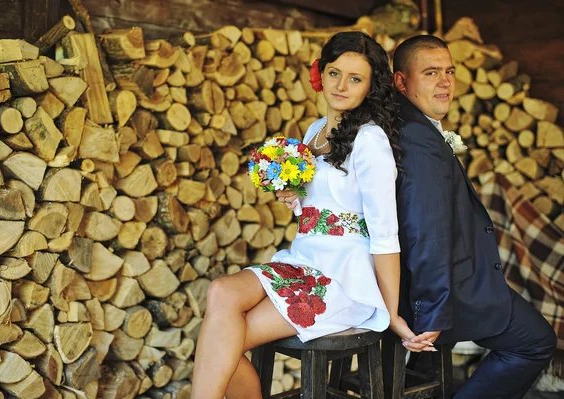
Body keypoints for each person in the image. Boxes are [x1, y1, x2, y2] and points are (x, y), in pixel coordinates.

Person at [191, 31, 425, 399]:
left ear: (370, 86)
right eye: (334, 73)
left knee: (223, 336)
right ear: (320, 73)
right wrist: (294, 196)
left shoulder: (370, 140)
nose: (341, 86)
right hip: (303, 259)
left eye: (355, 78)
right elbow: (323, 205)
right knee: (221, 293)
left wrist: (391, 313)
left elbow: (385, 233)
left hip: (343, 278)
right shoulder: (315, 130)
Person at [392, 34, 557, 399]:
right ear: (401, 82)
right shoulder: (418, 138)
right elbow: (427, 229)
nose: (445, 82)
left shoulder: (410, 125)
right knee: (536, 342)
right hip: (446, 290)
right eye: (431, 72)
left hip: (439, 281)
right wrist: (432, 310)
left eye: (449, 71)